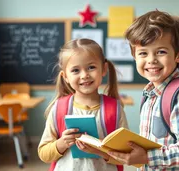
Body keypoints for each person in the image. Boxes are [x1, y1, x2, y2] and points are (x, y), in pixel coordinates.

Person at [107, 10, 179, 171]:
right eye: (143, 53)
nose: (151, 60)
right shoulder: (150, 95)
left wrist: (147, 157)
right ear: (135, 56)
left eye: (161, 52)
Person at [38, 38, 128, 171]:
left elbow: (126, 156)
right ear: (65, 77)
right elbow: (44, 154)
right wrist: (62, 143)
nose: (84, 75)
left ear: (103, 69)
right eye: (75, 70)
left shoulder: (115, 110)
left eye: (91, 67)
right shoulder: (58, 109)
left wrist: (99, 151)